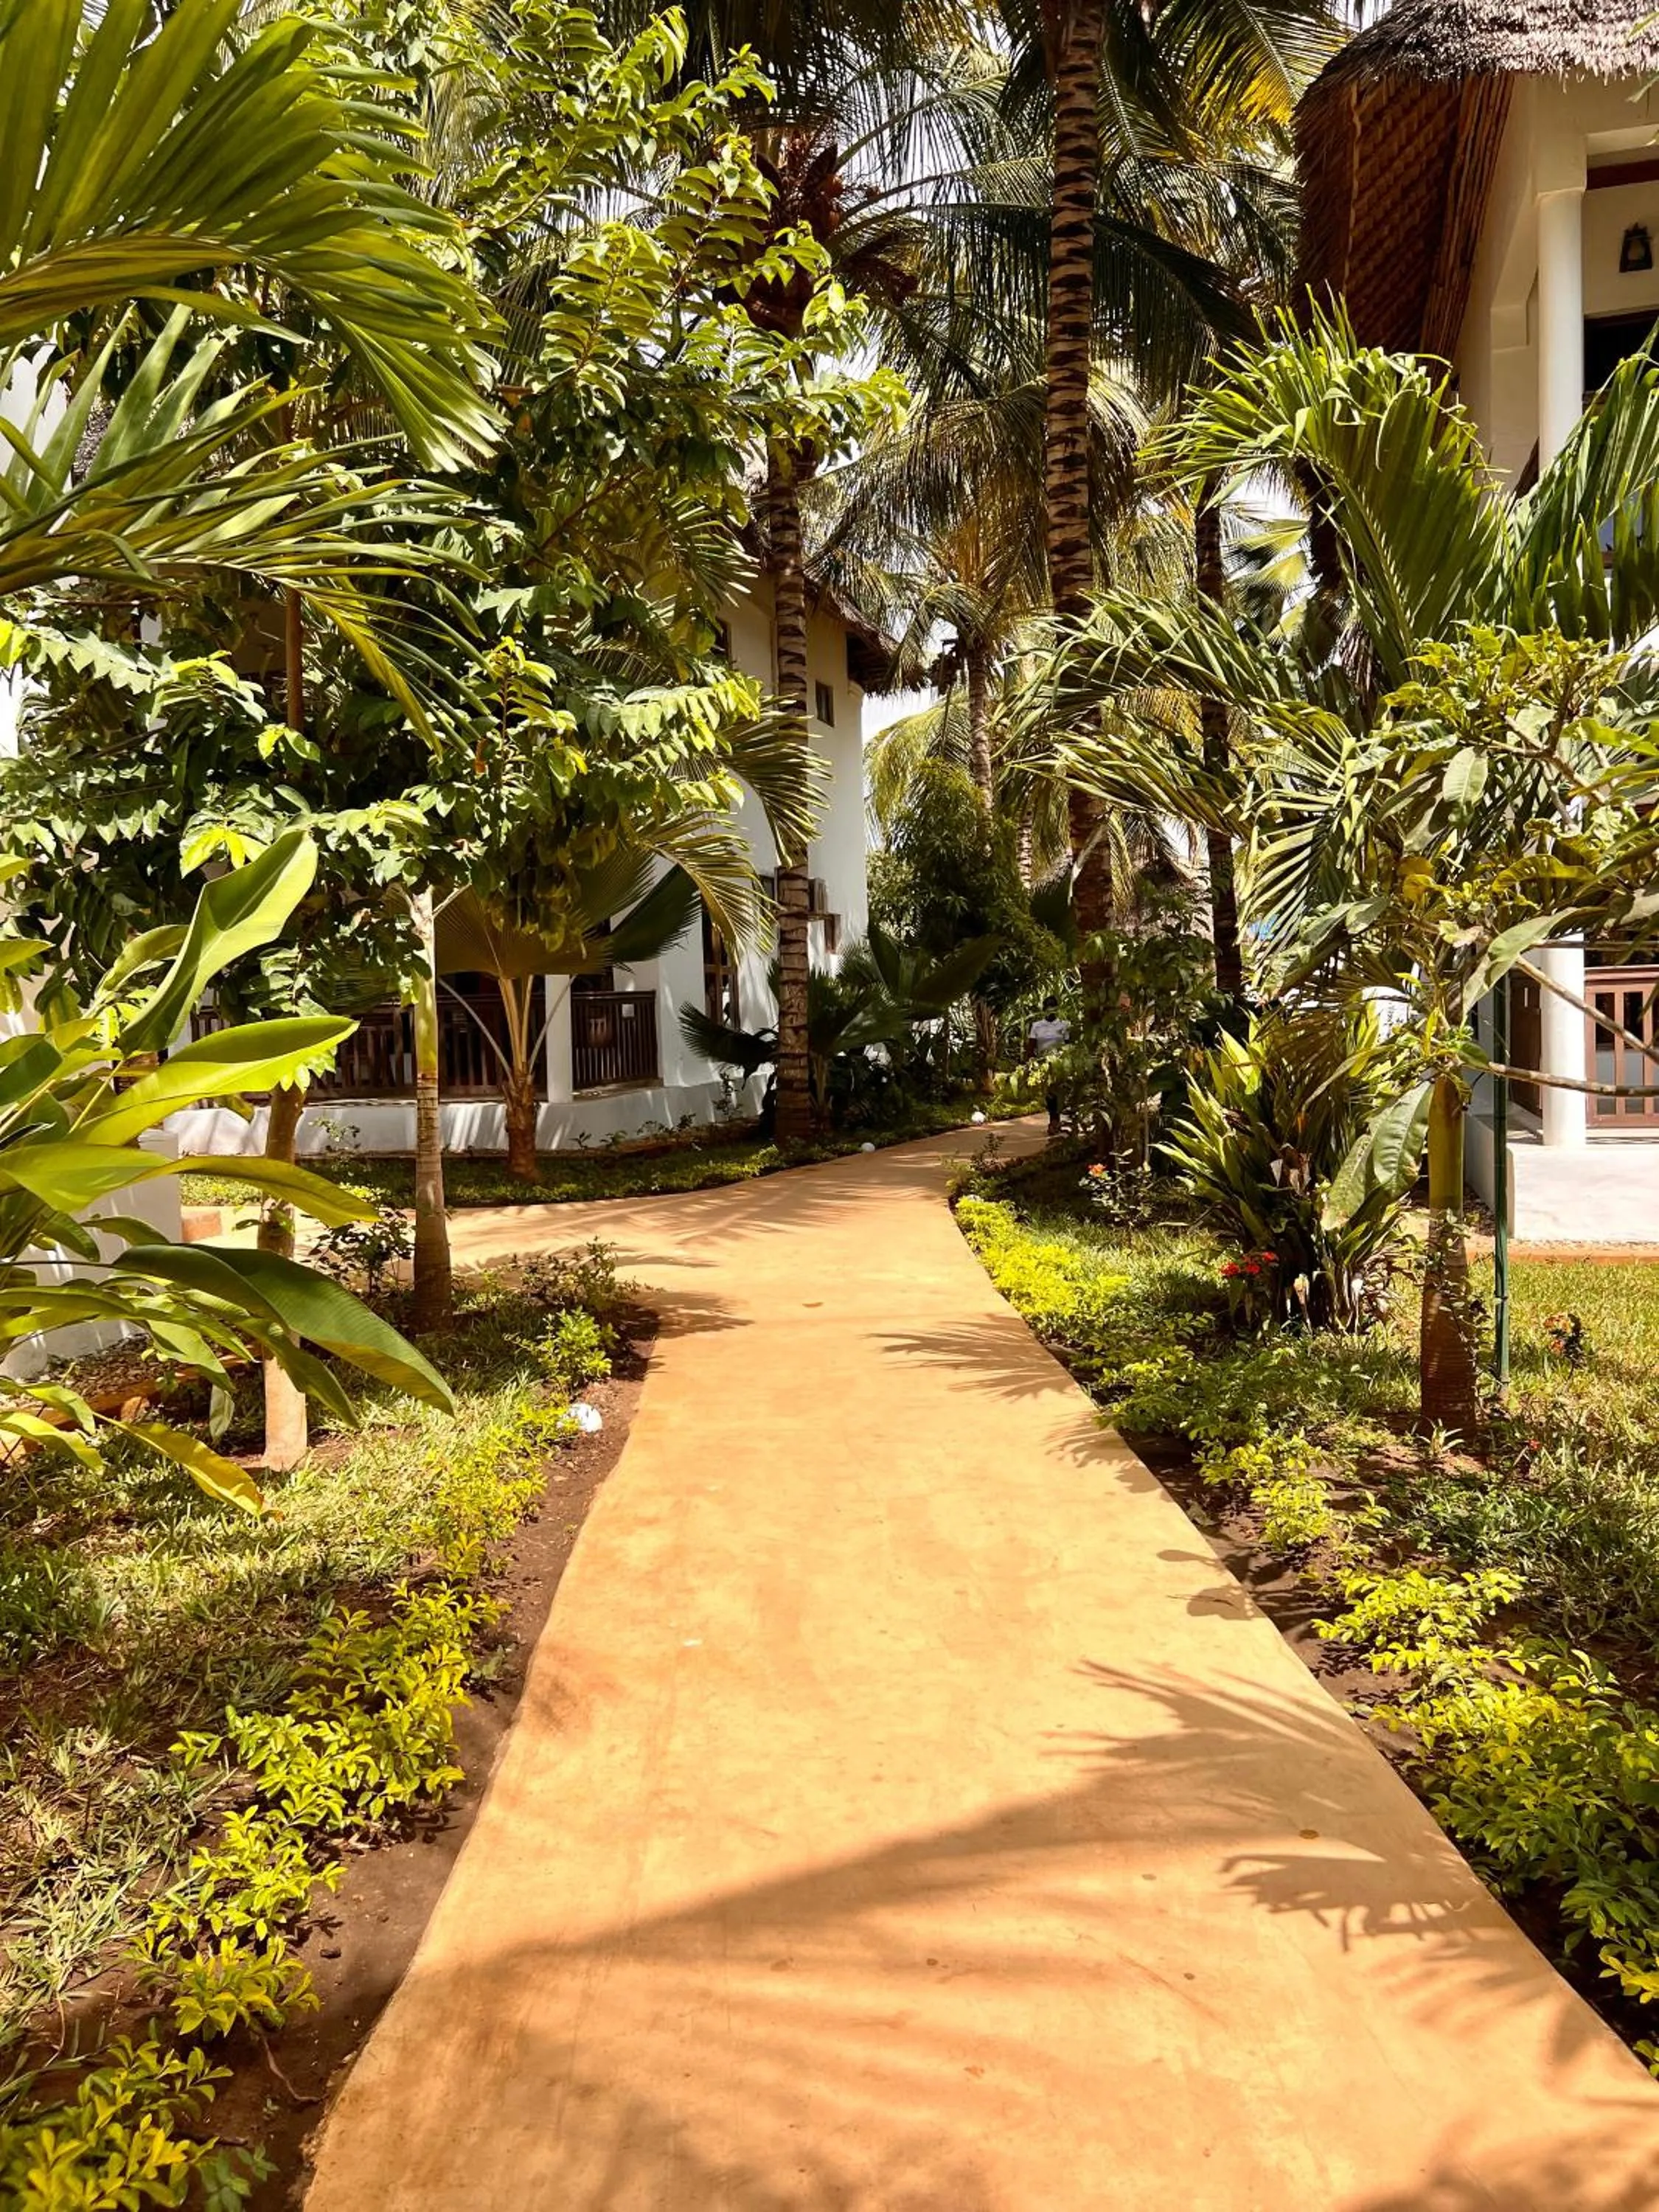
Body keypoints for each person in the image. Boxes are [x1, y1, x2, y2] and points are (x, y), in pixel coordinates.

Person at [1026, 996, 1071, 1136]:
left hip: (1060, 1064)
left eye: (1053, 1007)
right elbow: (1031, 1046)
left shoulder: (1064, 1025)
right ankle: (1053, 1120)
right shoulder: (1037, 1026)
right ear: (1044, 1009)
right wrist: (1029, 1063)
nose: (1051, 1010)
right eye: (1048, 1007)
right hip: (1043, 1064)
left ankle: (1057, 1120)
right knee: (1050, 1094)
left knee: (1059, 1093)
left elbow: (1069, 1044)